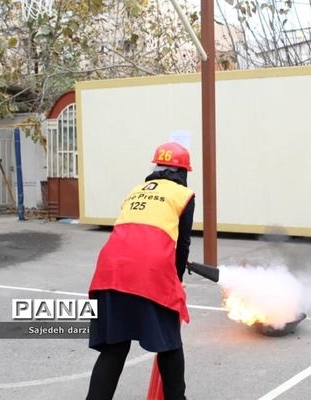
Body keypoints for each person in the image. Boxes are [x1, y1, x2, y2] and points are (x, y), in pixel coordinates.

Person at [86, 141, 195, 400]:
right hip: (149, 273)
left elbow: (137, 231)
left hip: (110, 271)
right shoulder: (183, 196)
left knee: (114, 348)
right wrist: (177, 280)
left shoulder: (136, 190)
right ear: (183, 172)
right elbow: (183, 245)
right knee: (169, 345)